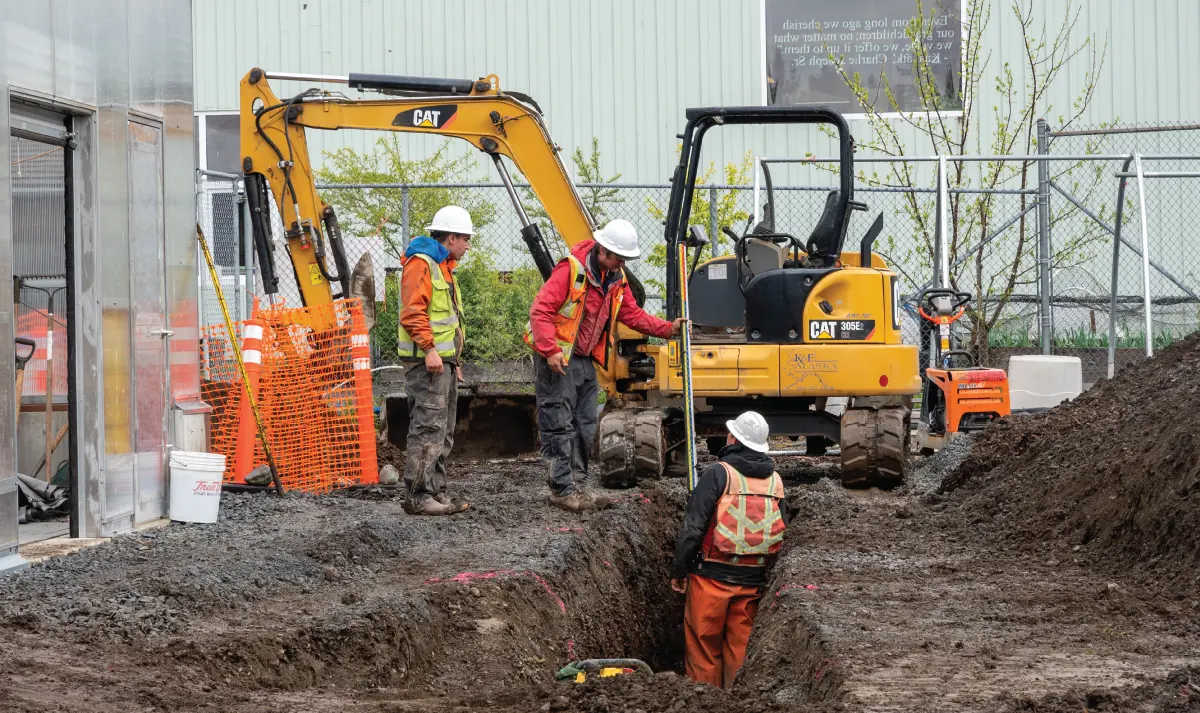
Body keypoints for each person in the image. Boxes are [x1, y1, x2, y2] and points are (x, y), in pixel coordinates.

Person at [525, 218, 685, 512]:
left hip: (585, 358)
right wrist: (550, 350)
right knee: (558, 424)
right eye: (619, 257)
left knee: (585, 425)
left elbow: (633, 316)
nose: (622, 263)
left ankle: (577, 486)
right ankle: (562, 489)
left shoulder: (616, 280)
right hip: (560, 358)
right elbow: (540, 311)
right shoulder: (570, 270)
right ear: (602, 251)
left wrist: (667, 329)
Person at [670, 411, 791, 689]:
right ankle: (738, 700)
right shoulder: (776, 482)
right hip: (752, 583)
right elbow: (784, 530)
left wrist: (679, 569)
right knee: (740, 649)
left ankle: (705, 701)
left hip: (710, 578)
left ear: (733, 437)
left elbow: (694, 527)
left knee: (703, 647)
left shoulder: (719, 474)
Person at [397, 205, 474, 516]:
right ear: (451, 237)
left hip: (443, 365)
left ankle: (436, 491)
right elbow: (413, 312)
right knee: (428, 429)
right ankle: (417, 496)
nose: (468, 245)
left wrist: (453, 361)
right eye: (466, 239)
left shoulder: (442, 267)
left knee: (442, 430)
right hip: (428, 364)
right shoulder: (422, 265)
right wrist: (430, 349)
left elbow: (448, 321)